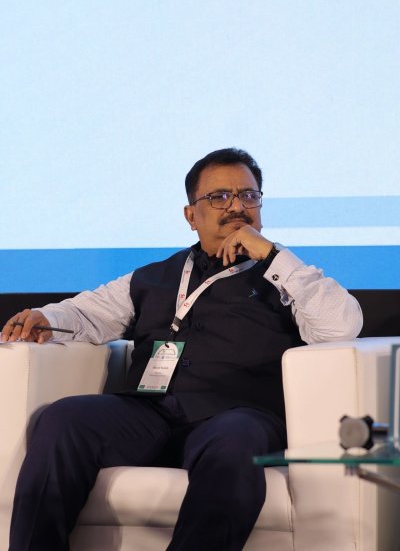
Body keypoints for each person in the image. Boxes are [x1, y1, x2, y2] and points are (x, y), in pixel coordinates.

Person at [1, 148, 363, 551]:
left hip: (236, 416)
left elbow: (341, 326)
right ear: (191, 215)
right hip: (150, 413)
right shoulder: (154, 277)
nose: (237, 207)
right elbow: (88, 312)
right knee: (63, 418)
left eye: (249, 195)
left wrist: (272, 255)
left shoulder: (286, 276)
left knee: (235, 441)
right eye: (219, 197)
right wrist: (45, 318)